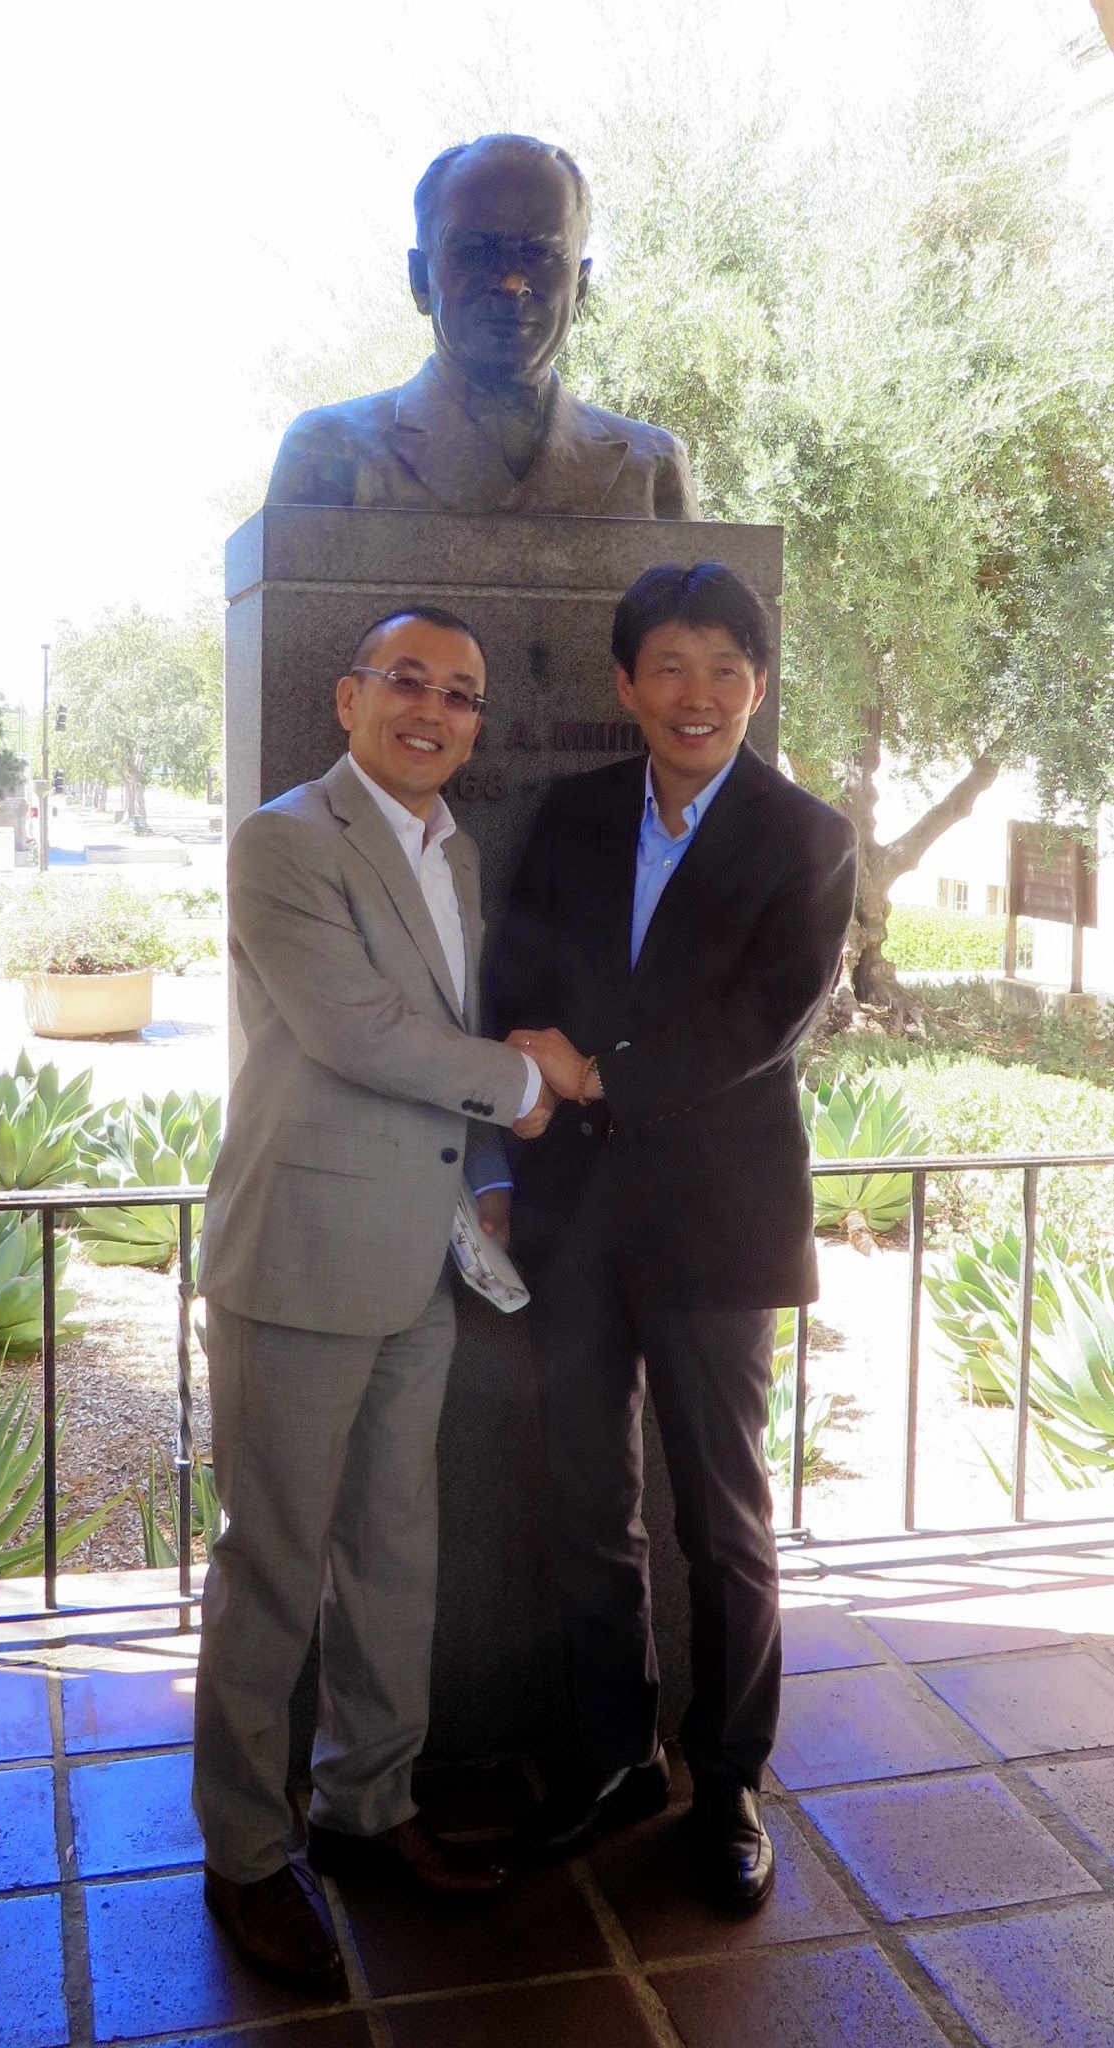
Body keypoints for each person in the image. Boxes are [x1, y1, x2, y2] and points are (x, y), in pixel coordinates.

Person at [491, 562, 858, 1911]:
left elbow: (756, 1027)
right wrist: (524, 1093)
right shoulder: (573, 815)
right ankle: (612, 1758)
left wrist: (596, 1073)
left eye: (723, 668)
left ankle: (730, 1778)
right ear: (625, 684)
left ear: (755, 685)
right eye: (668, 667)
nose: (694, 695)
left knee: (724, 1518)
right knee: (588, 1504)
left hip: (716, 1224)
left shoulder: (805, 837)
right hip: (574, 1218)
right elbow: (520, 976)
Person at [193, 606, 551, 1990]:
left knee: (395, 1554)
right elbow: (362, 1035)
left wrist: (483, 1186)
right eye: (408, 681)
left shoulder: (448, 847)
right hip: (298, 1260)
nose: (435, 709)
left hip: (418, 1258)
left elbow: (426, 1048)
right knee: (275, 1567)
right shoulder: (287, 839)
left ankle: (364, 1804)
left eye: (460, 693)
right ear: (347, 698)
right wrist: (529, 1082)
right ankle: (240, 1855)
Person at [266, 132, 698, 519]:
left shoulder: (653, 467)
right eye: (477, 251)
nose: (512, 281)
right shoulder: (327, 452)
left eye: (541, 253)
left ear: (580, 287)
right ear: (420, 279)